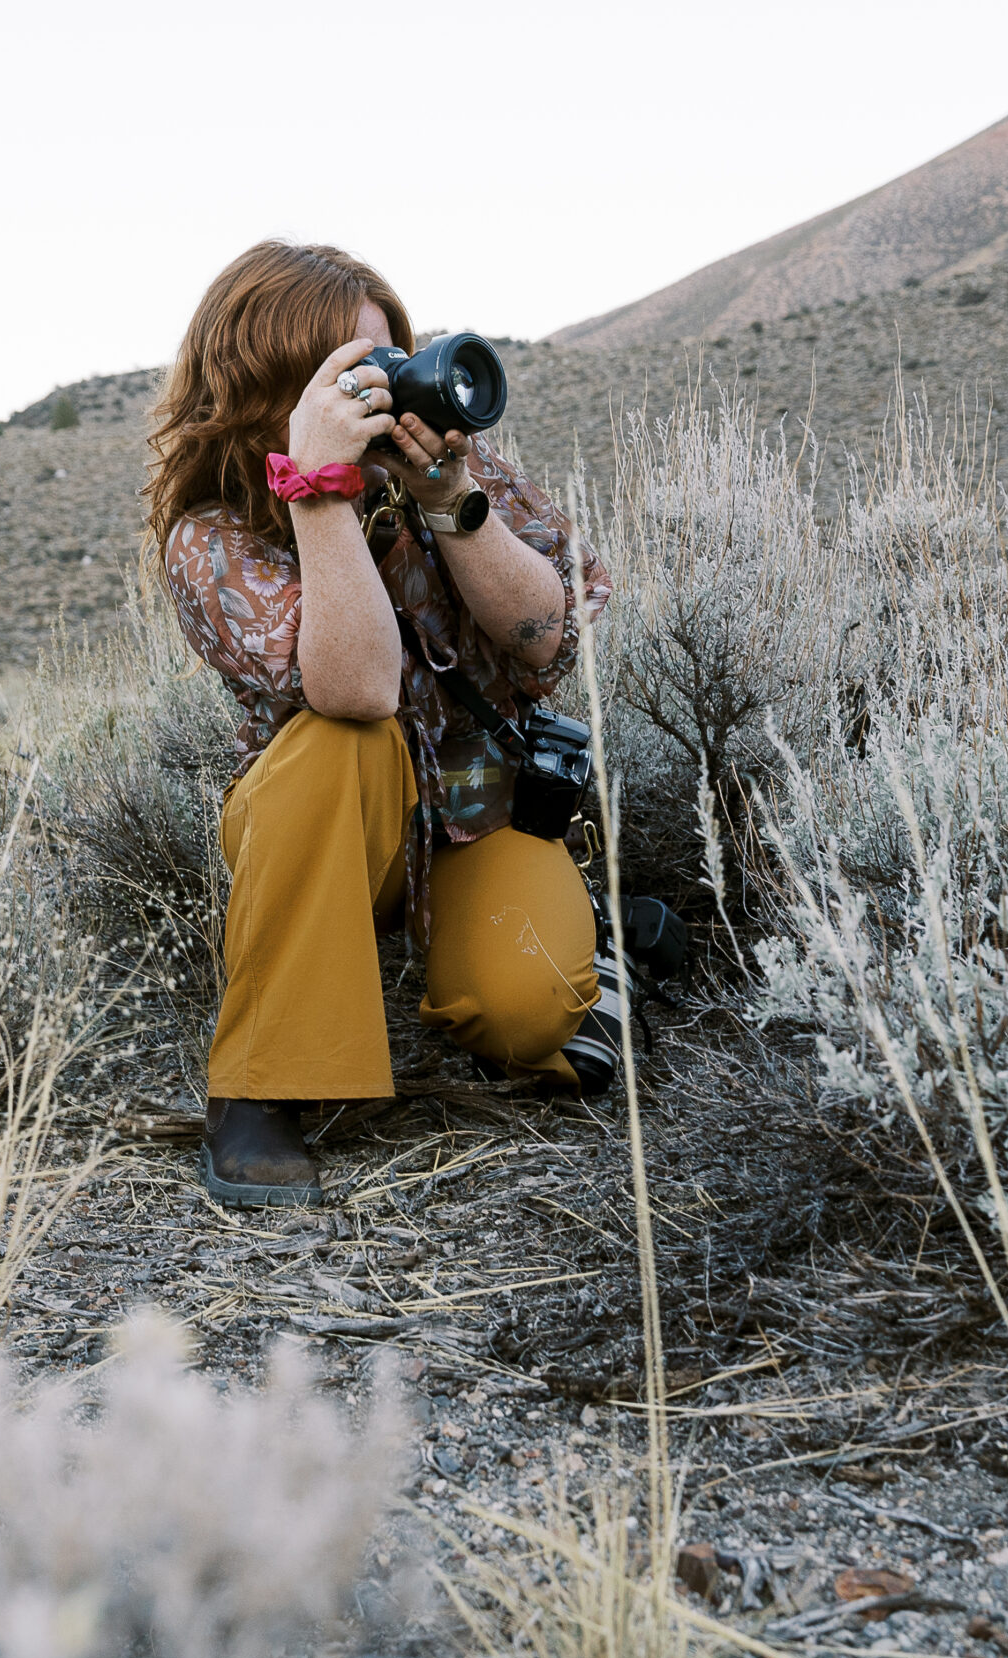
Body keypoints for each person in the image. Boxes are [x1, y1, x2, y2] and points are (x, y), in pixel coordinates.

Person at [144, 240, 616, 1208]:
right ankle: (257, 1092)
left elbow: (545, 642)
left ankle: (598, 940)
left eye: (390, 357)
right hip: (326, 823)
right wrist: (318, 491)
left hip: (474, 812)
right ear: (273, 382)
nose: (389, 386)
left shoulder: (452, 467)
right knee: (338, 740)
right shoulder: (212, 537)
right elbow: (356, 690)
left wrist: (453, 504)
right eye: (354, 371)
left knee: (526, 1012)